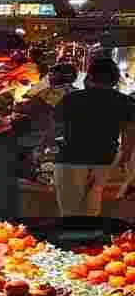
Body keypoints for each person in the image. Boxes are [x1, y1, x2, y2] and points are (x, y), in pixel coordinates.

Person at [56, 58, 135, 215]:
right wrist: (124, 157)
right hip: (103, 159)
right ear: (115, 79)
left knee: (70, 210)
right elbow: (130, 132)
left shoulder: (71, 98)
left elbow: (56, 126)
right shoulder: (126, 102)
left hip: (71, 158)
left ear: (90, 76)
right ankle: (90, 231)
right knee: (91, 207)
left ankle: (72, 231)